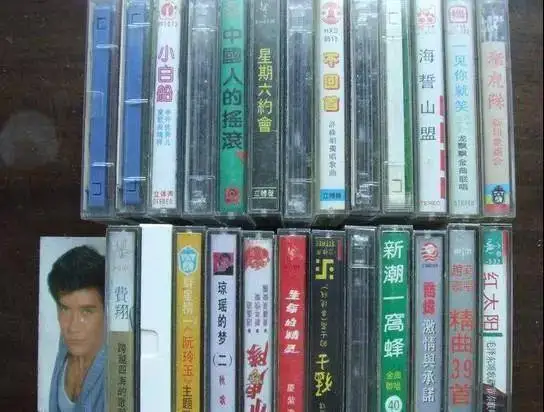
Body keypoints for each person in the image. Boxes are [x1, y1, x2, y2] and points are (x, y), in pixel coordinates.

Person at [47, 245, 106, 412]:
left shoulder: (116, 369)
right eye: (65, 309)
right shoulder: (65, 344)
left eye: (86, 311)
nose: (73, 327)